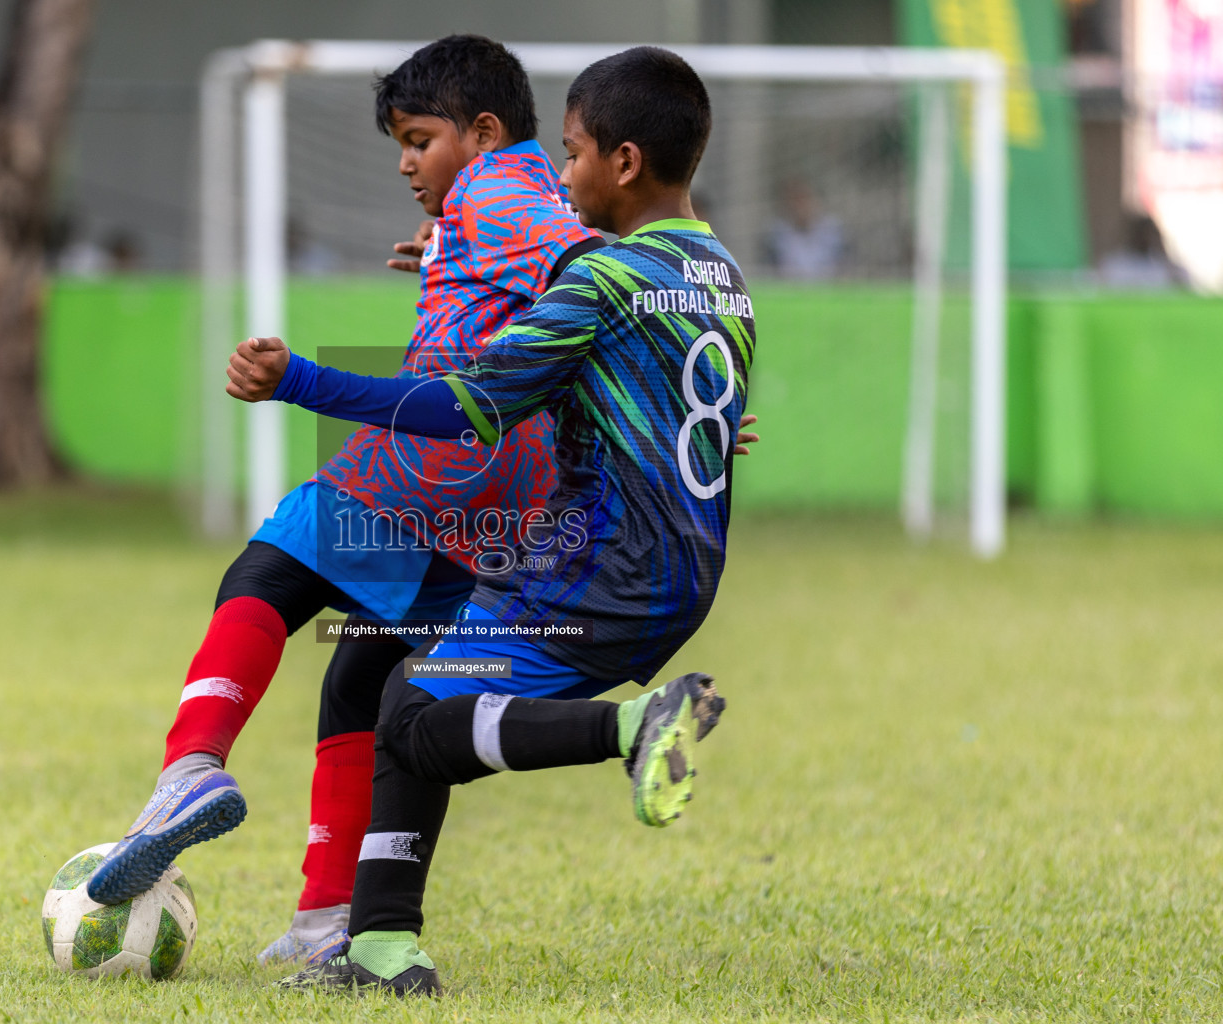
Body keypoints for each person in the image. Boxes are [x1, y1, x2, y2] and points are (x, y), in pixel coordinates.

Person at [226, 46, 755, 995]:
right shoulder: (718, 270)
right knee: (402, 694)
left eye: (573, 153)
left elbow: (468, 407)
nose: (560, 175)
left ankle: (633, 727)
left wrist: (298, 382)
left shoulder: (601, 284)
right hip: (683, 564)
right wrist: (448, 257)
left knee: (421, 714)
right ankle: (382, 946)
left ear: (624, 163)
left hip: (597, 563)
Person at [84, 35, 605, 957]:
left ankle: (193, 767)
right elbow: (557, 272)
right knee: (361, 675)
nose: (407, 164)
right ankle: (329, 918)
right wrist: (449, 251)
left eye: (418, 140)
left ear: (482, 134)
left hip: (423, 466)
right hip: (496, 512)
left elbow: (577, 261)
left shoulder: (502, 194)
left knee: (267, 571)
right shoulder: (500, 205)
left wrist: (468, 237)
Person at [767, 177, 844, 279]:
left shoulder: (832, 229)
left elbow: (844, 266)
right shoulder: (777, 234)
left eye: (804, 199)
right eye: (794, 200)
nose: (800, 206)